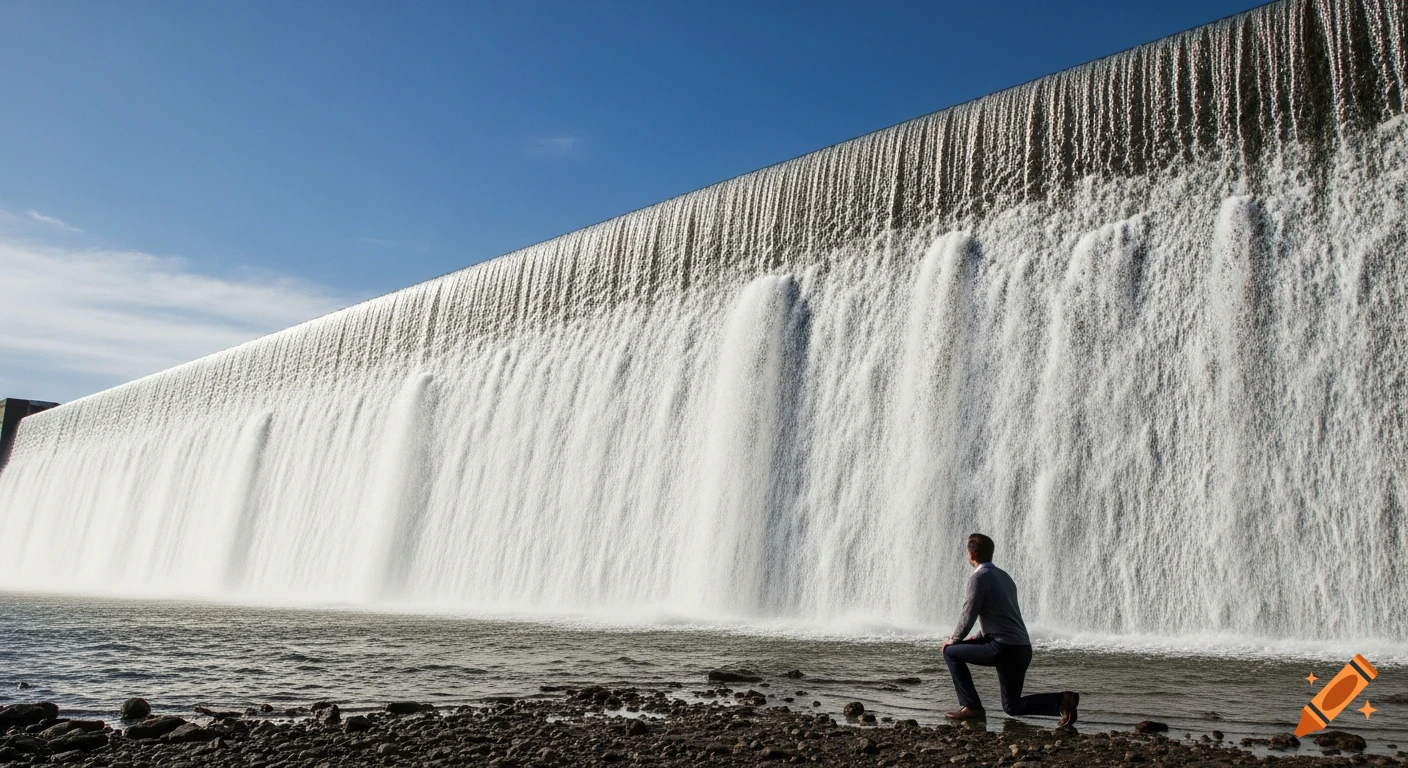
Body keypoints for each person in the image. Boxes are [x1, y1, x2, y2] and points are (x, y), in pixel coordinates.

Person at [941, 533, 1079, 726]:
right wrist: (976, 638)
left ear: (971, 555)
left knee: (951, 652)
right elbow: (1001, 616)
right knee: (1011, 706)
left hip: (1003, 648)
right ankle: (1062, 701)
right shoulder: (1004, 577)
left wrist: (954, 639)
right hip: (1021, 648)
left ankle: (971, 707)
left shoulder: (978, 578)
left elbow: (968, 613)